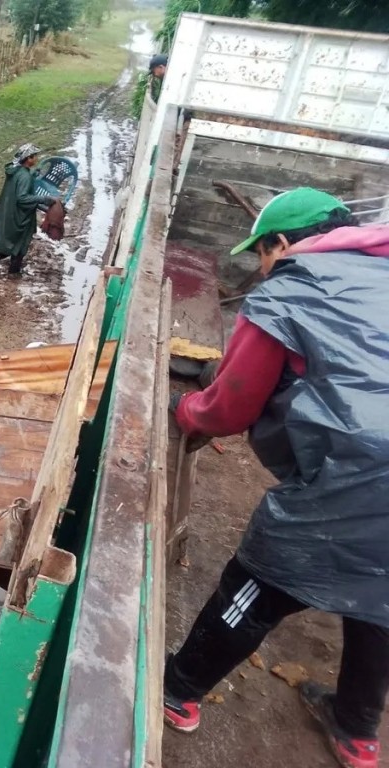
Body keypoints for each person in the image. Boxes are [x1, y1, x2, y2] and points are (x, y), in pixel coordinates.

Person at [165, 188, 389, 768]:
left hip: (363, 478)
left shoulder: (289, 293)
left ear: (281, 244)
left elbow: (228, 409)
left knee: (260, 584)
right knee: (378, 597)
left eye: (262, 255)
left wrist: (186, 411)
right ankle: (357, 732)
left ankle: (178, 691)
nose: (263, 268)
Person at [0, 143, 46, 279]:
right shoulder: (24, 176)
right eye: (34, 156)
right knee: (20, 244)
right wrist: (43, 199)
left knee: (10, 240)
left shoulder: (17, 171)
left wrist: (33, 174)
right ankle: (14, 273)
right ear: (28, 159)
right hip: (20, 215)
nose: (36, 158)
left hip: (9, 210)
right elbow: (23, 198)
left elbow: (21, 182)